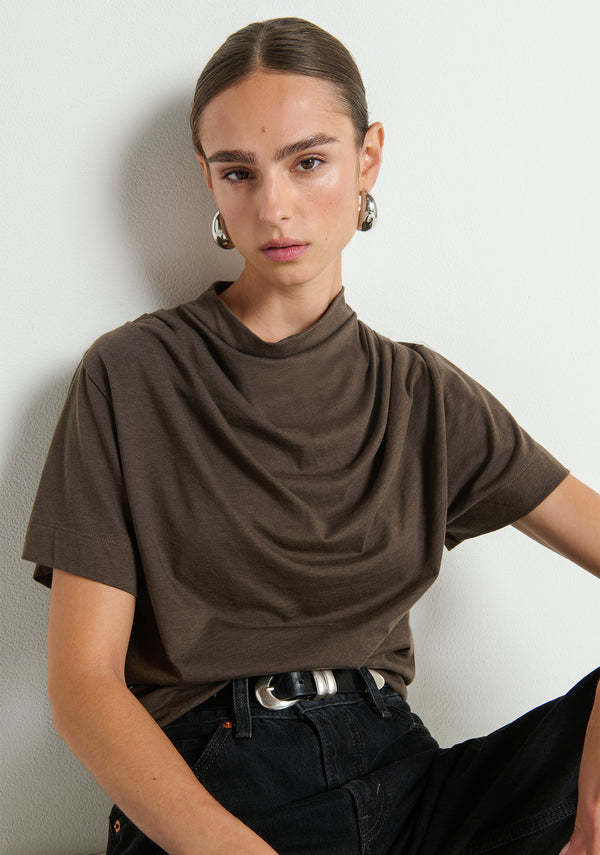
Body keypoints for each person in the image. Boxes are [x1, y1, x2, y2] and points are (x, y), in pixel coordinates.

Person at [20, 15, 600, 855]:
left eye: (308, 161)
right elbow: (82, 683)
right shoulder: (130, 375)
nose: (274, 206)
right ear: (209, 181)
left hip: (409, 791)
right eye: (239, 172)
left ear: (368, 159)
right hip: (219, 790)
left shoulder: (424, 396)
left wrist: (593, 794)